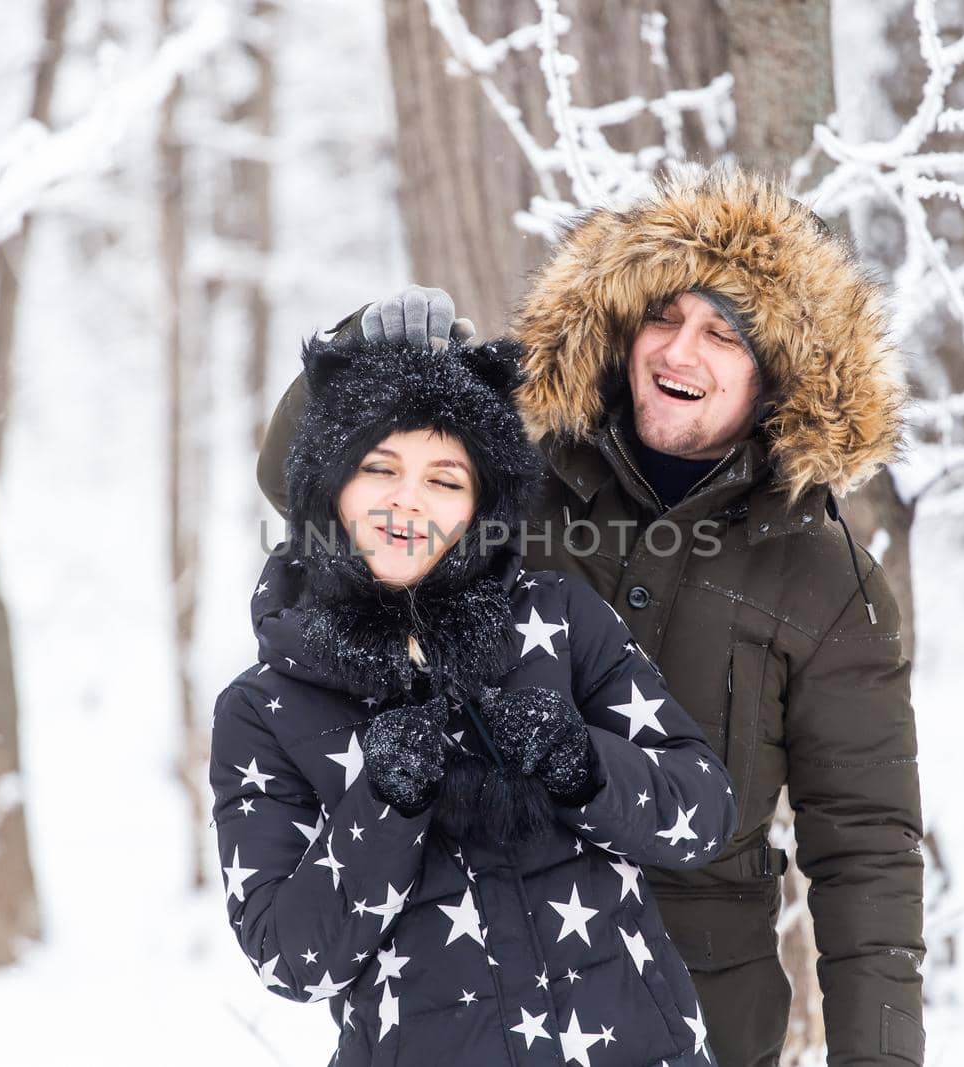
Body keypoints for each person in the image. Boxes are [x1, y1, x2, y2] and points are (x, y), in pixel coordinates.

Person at [257, 166, 926, 1066]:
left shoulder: (826, 576)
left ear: (785, 377)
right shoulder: (516, 456)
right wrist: (355, 364)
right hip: (472, 1003)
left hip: (705, 1015)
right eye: (664, 316)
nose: (679, 352)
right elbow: (313, 492)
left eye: (725, 334)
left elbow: (869, 854)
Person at [211, 330, 740, 1066]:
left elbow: (705, 816)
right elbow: (293, 962)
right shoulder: (263, 709)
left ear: (480, 505)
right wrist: (384, 804)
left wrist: (584, 764)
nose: (408, 499)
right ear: (328, 484)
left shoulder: (558, 620)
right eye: (378, 466)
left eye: (446, 479)